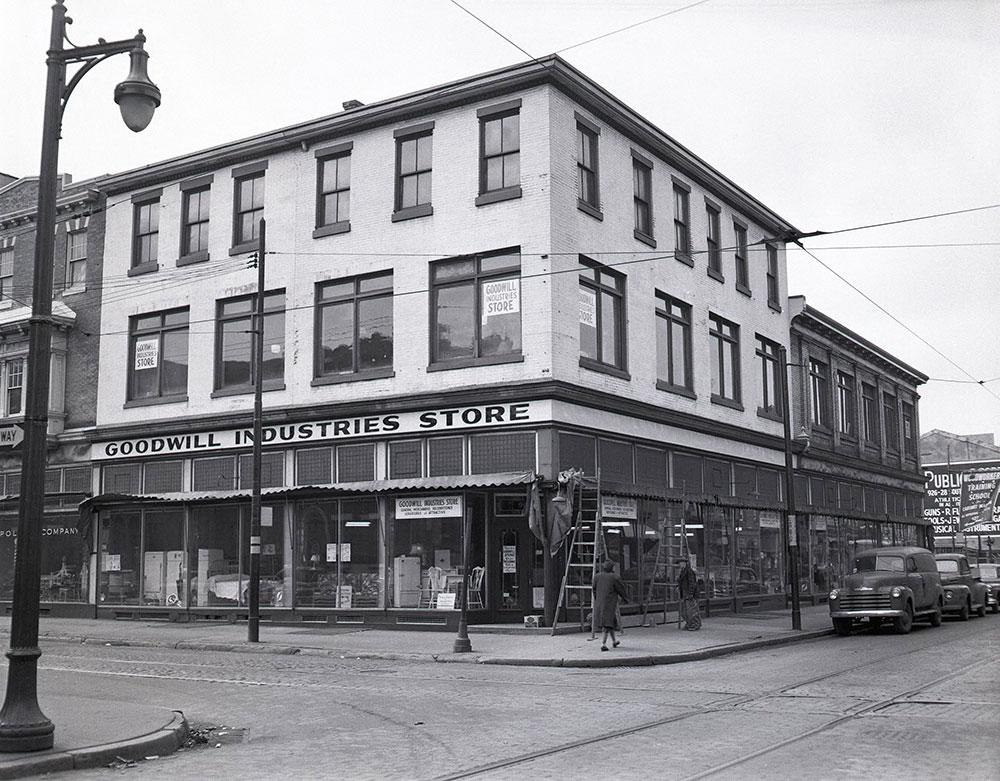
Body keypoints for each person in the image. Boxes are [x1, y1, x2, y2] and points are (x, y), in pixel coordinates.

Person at [592, 560, 628, 651]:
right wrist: (625, 599)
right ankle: (603, 644)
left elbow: (594, 590)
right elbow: (621, 589)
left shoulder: (597, 577)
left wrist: (598, 599)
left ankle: (614, 641)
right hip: (609, 603)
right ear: (611, 568)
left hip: (599, 603)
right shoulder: (614, 577)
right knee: (607, 624)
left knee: (611, 621)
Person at [676, 557, 702, 631]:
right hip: (685, 593)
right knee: (685, 610)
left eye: (681, 563)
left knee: (692, 610)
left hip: (689, 594)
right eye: (679, 563)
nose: (680, 564)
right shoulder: (683, 571)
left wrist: (690, 594)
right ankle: (689, 624)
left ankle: (695, 624)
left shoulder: (689, 571)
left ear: (684, 563)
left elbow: (692, 583)